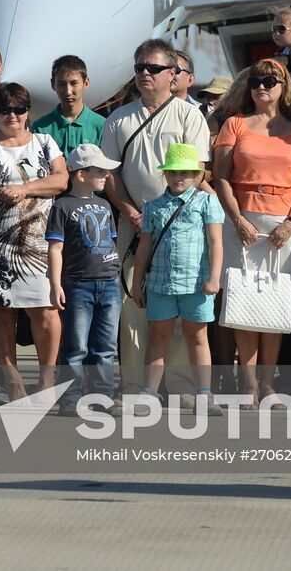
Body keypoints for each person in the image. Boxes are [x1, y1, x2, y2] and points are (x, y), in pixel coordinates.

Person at [102, 40, 211, 397]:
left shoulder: (189, 115)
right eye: (139, 68)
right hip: (132, 226)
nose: (144, 74)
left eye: (153, 68)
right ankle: (135, 385)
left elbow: (199, 172)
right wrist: (132, 212)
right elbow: (109, 175)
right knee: (135, 307)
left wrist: (162, 212)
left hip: (181, 227)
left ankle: (178, 387)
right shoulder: (119, 118)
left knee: (180, 312)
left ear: (173, 74)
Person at [212, 57, 291, 408]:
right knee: (242, 301)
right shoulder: (235, 124)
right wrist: (237, 218)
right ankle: (249, 382)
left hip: (285, 225)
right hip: (243, 222)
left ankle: (269, 382)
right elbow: (221, 176)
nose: (261, 87)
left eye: (270, 81)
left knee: (277, 302)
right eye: (256, 81)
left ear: (284, 85)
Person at [0, 83, 68, 399]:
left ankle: (46, 380)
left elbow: (62, 180)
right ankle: (12, 380)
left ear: (27, 112)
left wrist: (24, 189)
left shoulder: (45, 143)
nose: (12, 117)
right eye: (5, 110)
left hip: (38, 246)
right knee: (0, 313)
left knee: (45, 311)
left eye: (19, 110)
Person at [131, 143, 224, 414]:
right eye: (172, 173)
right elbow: (144, 248)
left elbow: (216, 242)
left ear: (197, 175)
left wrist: (213, 277)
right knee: (158, 338)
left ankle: (204, 395)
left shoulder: (207, 201)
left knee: (197, 337)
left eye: (185, 173)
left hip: (197, 282)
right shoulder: (154, 206)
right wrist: (137, 283)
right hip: (161, 282)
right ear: (165, 175)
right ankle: (149, 393)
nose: (178, 178)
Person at [48, 144, 122, 412]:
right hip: (78, 284)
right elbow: (55, 248)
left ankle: (102, 396)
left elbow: (111, 243)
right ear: (81, 174)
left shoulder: (104, 205)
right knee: (76, 346)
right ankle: (71, 397)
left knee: (106, 346)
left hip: (110, 283)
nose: (106, 176)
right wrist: (55, 284)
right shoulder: (62, 207)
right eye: (100, 171)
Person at [32, 54, 105, 153]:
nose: (68, 91)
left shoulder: (102, 126)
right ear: (53, 84)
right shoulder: (40, 128)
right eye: (61, 84)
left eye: (74, 83)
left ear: (86, 83)